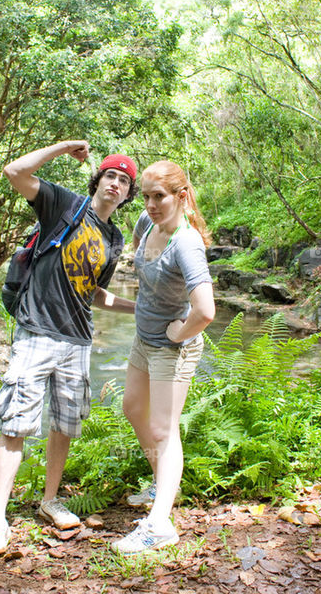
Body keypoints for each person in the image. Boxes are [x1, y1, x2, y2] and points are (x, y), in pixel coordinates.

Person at [0, 140, 137, 557]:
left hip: (78, 340)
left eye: (124, 181)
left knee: (65, 425)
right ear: (98, 180)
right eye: (110, 175)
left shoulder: (115, 238)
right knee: (16, 424)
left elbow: (94, 293)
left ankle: (50, 500)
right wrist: (65, 147)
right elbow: (14, 171)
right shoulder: (64, 204)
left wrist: (137, 309)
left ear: (127, 193)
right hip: (36, 331)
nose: (116, 183)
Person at [113, 160, 215, 554]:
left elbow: (205, 311)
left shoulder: (186, 244)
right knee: (133, 407)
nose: (152, 205)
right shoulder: (145, 223)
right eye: (147, 196)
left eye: (160, 197)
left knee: (162, 429)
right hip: (143, 339)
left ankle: (159, 524)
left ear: (181, 196)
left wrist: (179, 330)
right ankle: (162, 481)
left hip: (173, 348)